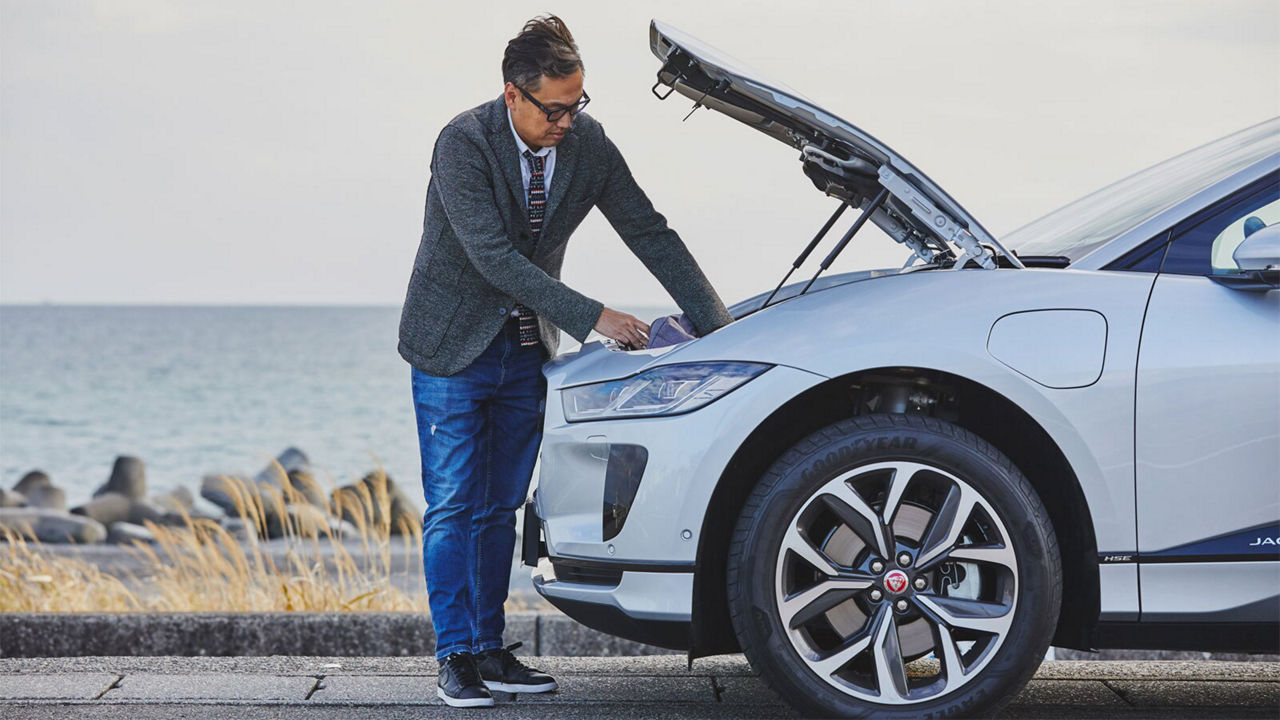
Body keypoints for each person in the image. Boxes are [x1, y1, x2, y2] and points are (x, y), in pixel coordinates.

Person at [398, 14, 734, 708]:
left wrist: (719, 328)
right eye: (554, 109)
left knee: (500, 508)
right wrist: (596, 317)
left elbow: (648, 230)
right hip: (450, 349)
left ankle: (489, 649)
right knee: (454, 505)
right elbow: (492, 258)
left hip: (524, 350)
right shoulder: (462, 143)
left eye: (578, 105)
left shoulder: (587, 144)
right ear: (513, 95)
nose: (567, 122)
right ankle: (454, 656)